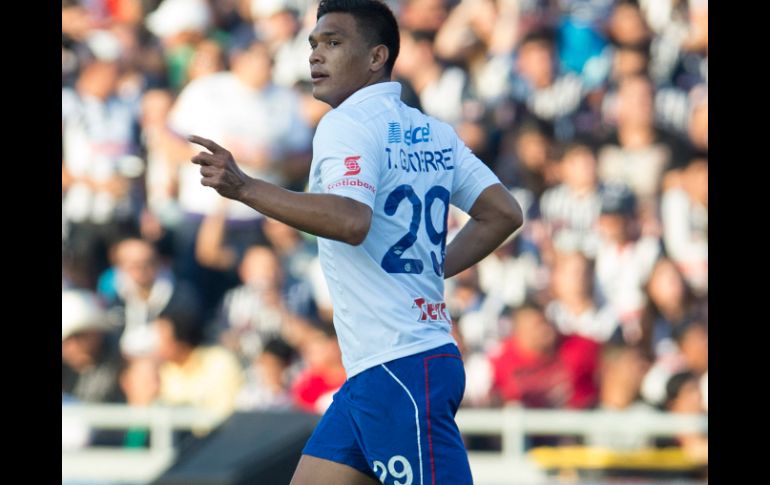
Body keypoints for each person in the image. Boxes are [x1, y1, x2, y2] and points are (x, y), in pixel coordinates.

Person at [187, 1, 523, 483]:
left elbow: (351, 220)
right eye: (313, 44)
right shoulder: (434, 131)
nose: (315, 56)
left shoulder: (345, 123)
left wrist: (246, 188)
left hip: (398, 366)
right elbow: (502, 212)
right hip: (392, 364)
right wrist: (430, 267)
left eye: (334, 42)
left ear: (376, 57)